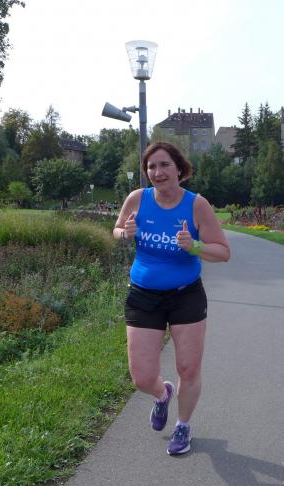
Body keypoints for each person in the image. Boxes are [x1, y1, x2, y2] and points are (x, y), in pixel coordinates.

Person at [113, 141, 230, 455]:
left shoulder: (196, 205)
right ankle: (162, 394)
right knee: (141, 378)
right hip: (143, 296)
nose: (158, 172)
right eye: (151, 167)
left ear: (179, 169)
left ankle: (182, 425)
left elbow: (223, 252)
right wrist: (125, 233)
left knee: (188, 369)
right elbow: (117, 230)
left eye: (164, 165)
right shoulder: (137, 199)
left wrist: (194, 246)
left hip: (185, 296)